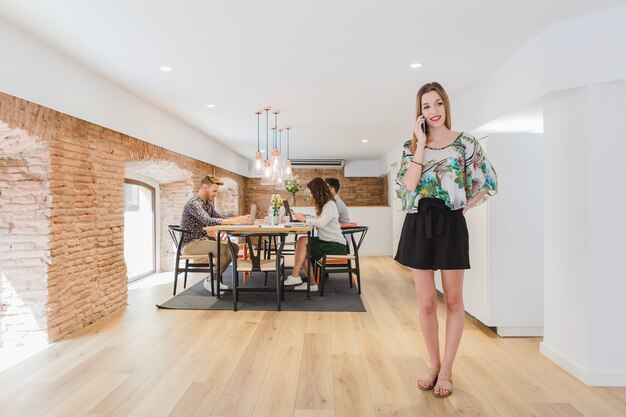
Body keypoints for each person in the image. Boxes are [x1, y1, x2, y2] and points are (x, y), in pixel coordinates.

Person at [394, 82, 497, 398]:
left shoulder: (466, 144)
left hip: (450, 222)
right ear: (419, 112)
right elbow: (408, 187)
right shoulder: (411, 146)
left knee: (453, 301)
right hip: (418, 221)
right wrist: (421, 144)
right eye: (426, 106)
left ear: (446, 106)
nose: (433, 111)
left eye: (438, 104)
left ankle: (448, 370)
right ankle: (433, 364)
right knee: (426, 303)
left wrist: (463, 207)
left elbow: (489, 181)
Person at [179, 175, 250, 293]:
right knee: (224, 250)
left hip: (202, 240)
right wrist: (233, 221)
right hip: (189, 244)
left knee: (234, 247)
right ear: (205, 187)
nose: (216, 194)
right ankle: (211, 280)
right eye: (214, 191)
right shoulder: (194, 203)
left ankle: (214, 279)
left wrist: (238, 219)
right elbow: (208, 220)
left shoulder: (207, 204)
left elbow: (218, 218)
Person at [284, 177, 348, 291]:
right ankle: (306, 281)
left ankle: (299, 277)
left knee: (303, 248)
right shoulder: (326, 205)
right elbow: (320, 219)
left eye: (312, 192)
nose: (311, 195)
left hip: (335, 245)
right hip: (326, 241)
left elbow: (321, 223)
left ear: (317, 192)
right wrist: (305, 217)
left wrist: (304, 219)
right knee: (302, 241)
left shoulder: (330, 205)